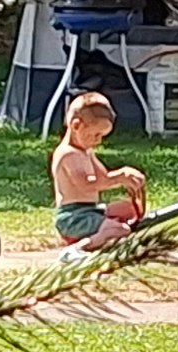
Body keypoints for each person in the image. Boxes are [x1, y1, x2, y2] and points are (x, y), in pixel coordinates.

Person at [52, 91, 149, 247]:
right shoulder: (68, 154)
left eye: (102, 136)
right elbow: (86, 186)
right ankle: (82, 247)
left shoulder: (87, 151)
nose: (98, 141)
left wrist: (126, 178)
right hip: (73, 217)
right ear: (76, 125)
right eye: (96, 135)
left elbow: (103, 178)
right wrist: (119, 178)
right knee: (120, 230)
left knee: (128, 209)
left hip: (91, 209)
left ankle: (105, 229)